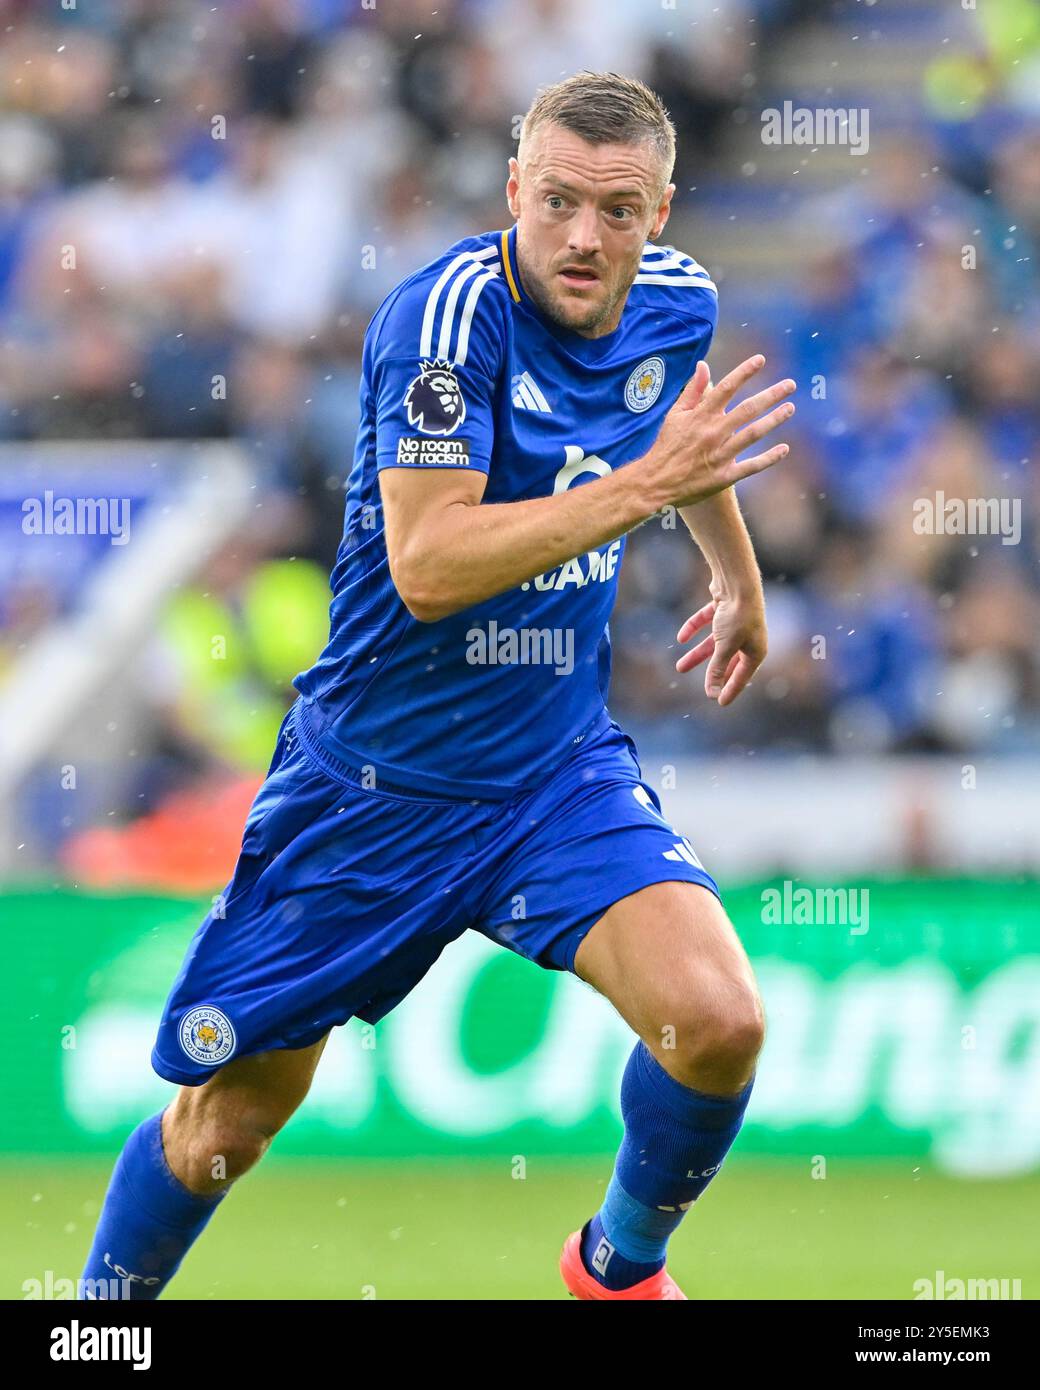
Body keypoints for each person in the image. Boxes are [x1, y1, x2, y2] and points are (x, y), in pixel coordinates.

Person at [81, 71, 796, 1302]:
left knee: (718, 1022)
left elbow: (676, 421)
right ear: (513, 188)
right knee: (220, 1133)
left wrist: (733, 572)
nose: (584, 236)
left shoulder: (676, 304)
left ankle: (615, 1267)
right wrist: (637, 492)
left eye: (617, 211)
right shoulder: (444, 324)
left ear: (661, 214)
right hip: (368, 791)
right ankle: (98, 1322)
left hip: (545, 774)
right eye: (558, 200)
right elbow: (426, 566)